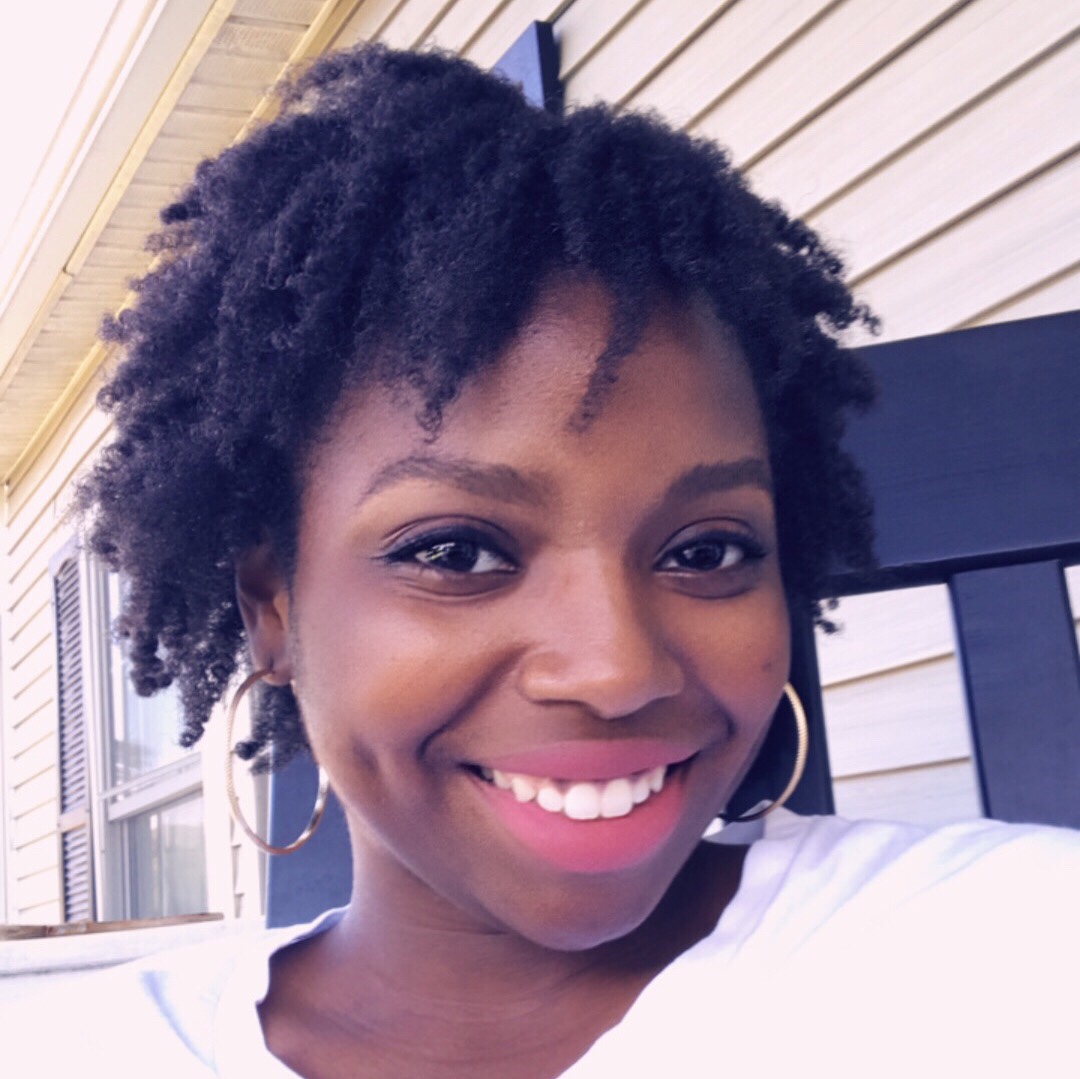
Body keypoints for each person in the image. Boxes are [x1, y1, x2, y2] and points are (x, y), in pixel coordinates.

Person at [8, 43, 1078, 1078]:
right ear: (272, 609)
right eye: (458, 551)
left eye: (706, 550)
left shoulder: (1003, 951)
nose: (616, 670)